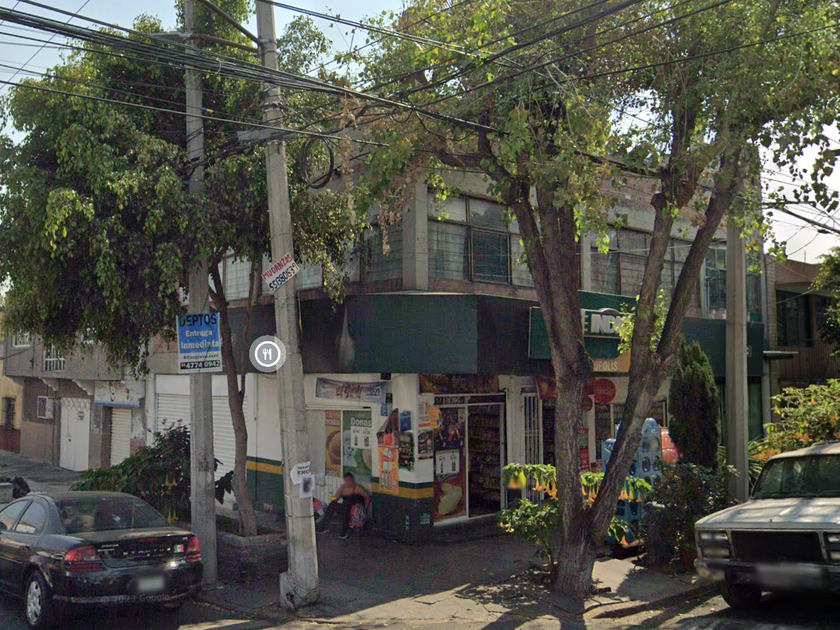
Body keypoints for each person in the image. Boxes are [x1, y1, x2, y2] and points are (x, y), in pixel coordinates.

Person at [316, 473, 370, 539]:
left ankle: (345, 530)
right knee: (332, 505)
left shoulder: (357, 487)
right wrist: (332, 497)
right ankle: (325, 526)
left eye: (349, 480)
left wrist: (365, 509)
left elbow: (367, 497)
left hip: (355, 511)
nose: (348, 482)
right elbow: (336, 498)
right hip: (345, 507)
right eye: (346, 480)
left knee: (346, 507)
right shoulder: (343, 488)